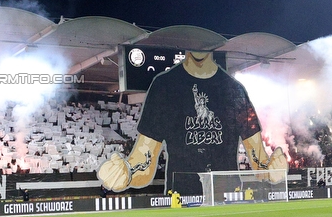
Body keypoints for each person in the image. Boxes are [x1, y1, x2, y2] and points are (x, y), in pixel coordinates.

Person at [98, 51, 287, 196]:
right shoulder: (164, 86)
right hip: (181, 200)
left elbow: (259, 160)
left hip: (228, 200)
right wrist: (127, 173)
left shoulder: (235, 91)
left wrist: (272, 170)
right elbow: (144, 162)